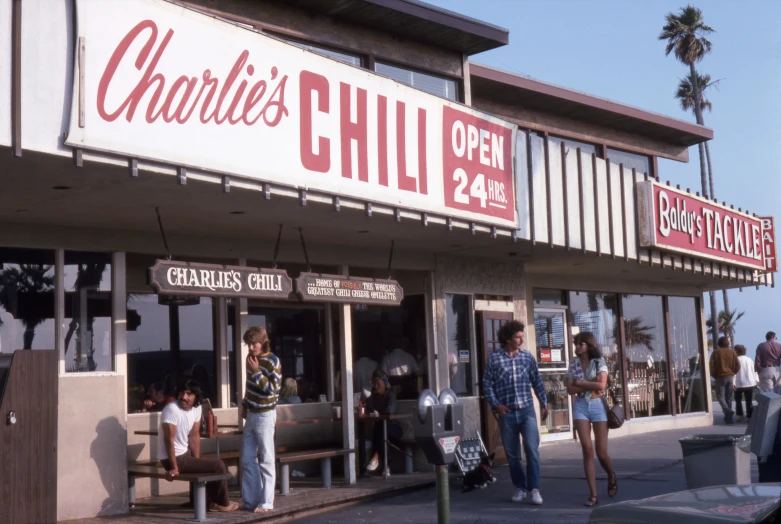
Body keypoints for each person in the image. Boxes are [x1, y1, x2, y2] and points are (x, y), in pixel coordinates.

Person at [483, 320, 547, 505]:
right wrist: (497, 405)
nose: (521, 340)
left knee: (532, 450)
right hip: (507, 413)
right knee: (512, 455)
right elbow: (487, 385)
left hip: (526, 410)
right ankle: (520, 487)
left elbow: (537, 381)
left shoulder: (527, 357)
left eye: (522, 336)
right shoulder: (494, 359)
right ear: (507, 338)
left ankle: (534, 489)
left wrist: (543, 403)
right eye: (517, 337)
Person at [158, 378, 238, 512]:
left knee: (201, 463)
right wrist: (174, 467)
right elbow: (168, 440)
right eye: (182, 393)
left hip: (184, 454)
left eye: (189, 394)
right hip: (172, 458)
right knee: (219, 465)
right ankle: (221, 503)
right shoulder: (171, 409)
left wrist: (197, 459)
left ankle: (199, 501)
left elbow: (194, 435)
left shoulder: (197, 408)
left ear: (196, 397)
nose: (184, 397)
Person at [566, 332, 617, 507]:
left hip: (597, 406)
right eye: (576, 343)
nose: (577, 346)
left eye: (581, 343)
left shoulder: (599, 361)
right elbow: (569, 389)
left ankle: (611, 474)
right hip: (580, 405)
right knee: (587, 449)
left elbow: (601, 386)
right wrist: (589, 384)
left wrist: (580, 383)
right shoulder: (573, 363)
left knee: (601, 452)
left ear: (589, 345)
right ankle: (593, 494)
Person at [240, 326, 282, 513]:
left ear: (263, 342)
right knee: (247, 458)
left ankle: (266, 502)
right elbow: (250, 385)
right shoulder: (250, 359)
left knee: (266, 459)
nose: (251, 347)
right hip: (251, 413)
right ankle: (251, 500)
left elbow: (273, 389)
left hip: (265, 414)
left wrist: (257, 371)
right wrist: (244, 403)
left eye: (254, 343)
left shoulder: (273, 361)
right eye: (248, 344)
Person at [364, 369, 403, 477]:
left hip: (394, 429)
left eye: (378, 383)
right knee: (379, 430)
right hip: (381, 430)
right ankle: (386, 466)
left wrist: (377, 413)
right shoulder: (373, 398)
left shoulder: (390, 395)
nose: (376, 386)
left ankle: (376, 457)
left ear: (385, 383)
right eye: (374, 383)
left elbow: (390, 410)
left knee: (380, 427)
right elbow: (365, 407)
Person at [709, 336, 740, 425]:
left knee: (720, 397)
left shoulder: (716, 352)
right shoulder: (732, 352)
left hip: (720, 377)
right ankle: (729, 419)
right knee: (729, 397)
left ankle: (728, 410)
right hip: (730, 376)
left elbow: (711, 365)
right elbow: (738, 365)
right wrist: (733, 372)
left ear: (719, 343)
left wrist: (714, 375)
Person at [733, 344, 759, 422]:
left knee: (738, 400)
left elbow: (733, 372)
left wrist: (733, 383)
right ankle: (749, 417)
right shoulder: (749, 359)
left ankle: (740, 415)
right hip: (749, 382)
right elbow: (754, 370)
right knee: (749, 400)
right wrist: (756, 380)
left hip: (738, 383)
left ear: (736, 351)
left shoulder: (735, 360)